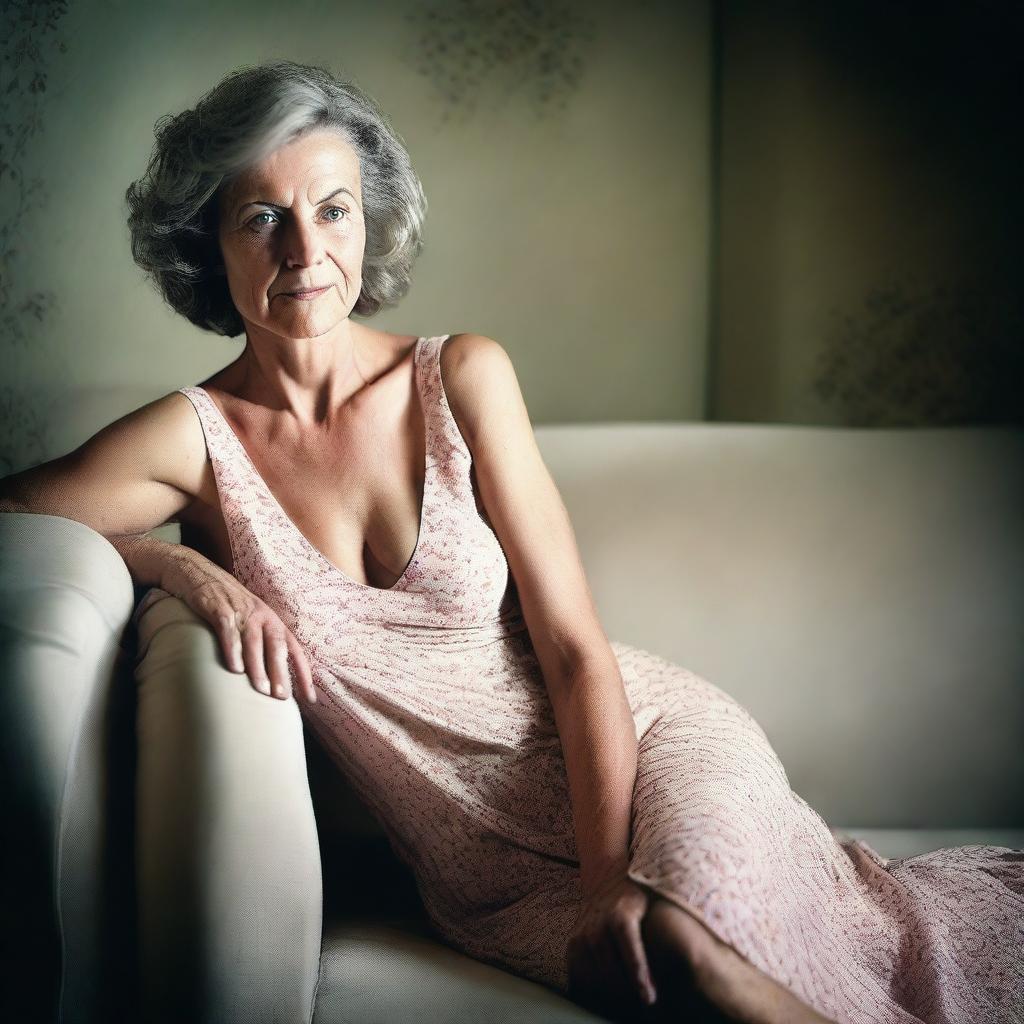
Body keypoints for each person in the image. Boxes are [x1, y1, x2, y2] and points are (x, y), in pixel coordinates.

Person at [2, 59, 1021, 1024]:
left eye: (333, 209)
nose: (305, 253)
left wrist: (609, 877)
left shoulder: (461, 377)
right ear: (207, 243)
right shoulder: (194, 439)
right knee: (665, 974)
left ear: (370, 222)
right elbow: (14, 510)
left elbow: (575, 646)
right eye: (262, 218)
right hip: (476, 866)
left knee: (685, 939)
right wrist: (174, 563)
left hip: (642, 751)